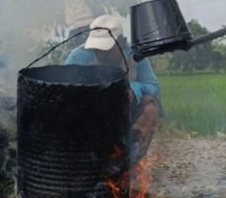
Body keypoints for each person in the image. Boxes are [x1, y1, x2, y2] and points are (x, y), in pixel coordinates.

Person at [64, 14, 161, 158]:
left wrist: (134, 89)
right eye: (96, 49)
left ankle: (135, 155)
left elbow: (153, 86)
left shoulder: (135, 56)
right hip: (90, 115)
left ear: (120, 43)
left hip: (125, 113)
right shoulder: (79, 56)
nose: (100, 53)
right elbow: (63, 88)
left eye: (106, 50)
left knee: (151, 107)